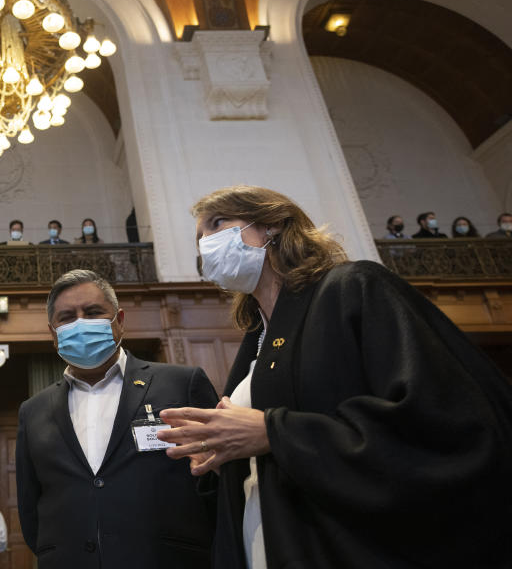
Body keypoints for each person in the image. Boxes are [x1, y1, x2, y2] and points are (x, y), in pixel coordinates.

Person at [157, 185, 512, 569]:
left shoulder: (355, 287)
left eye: (218, 223)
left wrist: (274, 433)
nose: (205, 243)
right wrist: (221, 451)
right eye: (199, 237)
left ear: (273, 224)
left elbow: (447, 421)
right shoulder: (257, 338)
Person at [16, 269, 218, 569]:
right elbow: (31, 511)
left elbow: (217, 485)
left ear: (119, 321)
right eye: (68, 317)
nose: (81, 323)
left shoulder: (181, 384)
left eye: (94, 312)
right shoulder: (33, 411)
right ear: (53, 333)